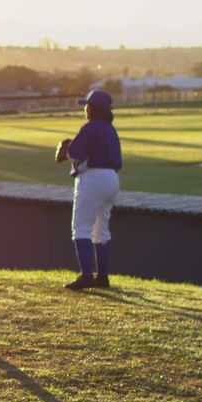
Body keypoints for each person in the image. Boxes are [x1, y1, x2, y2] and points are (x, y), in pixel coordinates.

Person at [56, 90, 122, 290]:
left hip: (92, 178)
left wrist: (66, 149)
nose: (85, 109)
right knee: (102, 230)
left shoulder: (90, 127)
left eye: (87, 106)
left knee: (81, 228)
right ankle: (102, 277)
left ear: (92, 109)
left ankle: (86, 276)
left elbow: (76, 153)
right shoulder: (111, 130)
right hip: (112, 179)